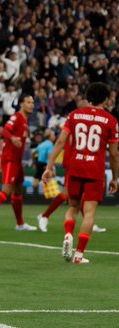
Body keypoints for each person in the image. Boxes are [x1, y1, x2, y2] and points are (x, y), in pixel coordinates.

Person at [42, 82, 119, 264]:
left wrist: (49, 167)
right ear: (106, 99)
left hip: (75, 167)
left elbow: (61, 142)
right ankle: (79, 255)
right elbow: (114, 153)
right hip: (95, 170)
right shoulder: (111, 120)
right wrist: (115, 177)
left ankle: (68, 234)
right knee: (89, 212)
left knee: (73, 207)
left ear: (87, 97)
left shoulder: (74, 115)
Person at [0, 95, 37, 231]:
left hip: (17, 161)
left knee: (18, 192)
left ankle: (20, 224)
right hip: (10, 160)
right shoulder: (16, 117)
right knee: (7, 191)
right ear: (21, 104)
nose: (31, 105)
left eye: (32, 102)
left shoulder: (25, 121)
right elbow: (4, 130)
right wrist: (13, 138)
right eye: (28, 102)